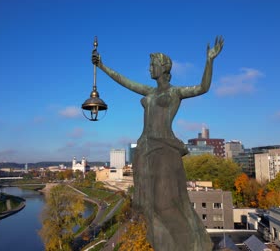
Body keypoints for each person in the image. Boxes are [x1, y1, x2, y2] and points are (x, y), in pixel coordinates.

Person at [92, 37, 223, 251]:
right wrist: (102, 66)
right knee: (146, 204)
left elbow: (203, 87)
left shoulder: (175, 92)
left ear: (163, 68)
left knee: (166, 203)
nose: (149, 68)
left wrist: (209, 61)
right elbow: (125, 81)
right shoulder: (150, 92)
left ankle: (189, 244)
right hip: (145, 149)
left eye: (152, 65)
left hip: (164, 149)